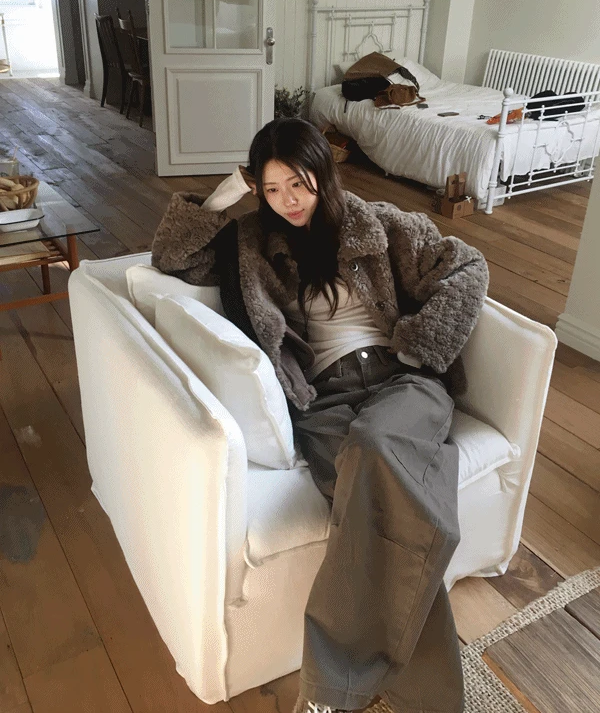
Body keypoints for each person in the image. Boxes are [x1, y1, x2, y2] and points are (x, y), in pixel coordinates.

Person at [152, 118, 489, 713]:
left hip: (403, 378)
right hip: (322, 398)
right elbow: (171, 254)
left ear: (324, 176)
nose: (288, 201)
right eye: (272, 188)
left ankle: (331, 691)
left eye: (299, 184)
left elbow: (467, 266)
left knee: (376, 446)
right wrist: (227, 192)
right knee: (389, 511)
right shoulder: (250, 243)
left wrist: (422, 346)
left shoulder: (380, 223)